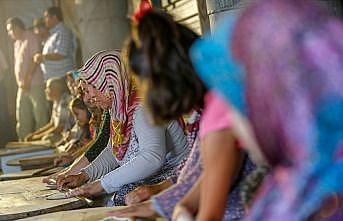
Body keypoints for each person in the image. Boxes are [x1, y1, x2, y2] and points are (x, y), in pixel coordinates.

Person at [190, 0, 343, 220]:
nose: (232, 124)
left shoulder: (321, 204)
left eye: (238, 108)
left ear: (276, 109)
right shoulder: (291, 184)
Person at [107, 10, 255, 221]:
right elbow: (208, 172)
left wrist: (170, 207)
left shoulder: (220, 111)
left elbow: (210, 211)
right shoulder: (211, 104)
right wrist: (170, 205)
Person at [56, 50, 189, 206]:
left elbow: (152, 158)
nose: (86, 98)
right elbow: (114, 151)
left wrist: (100, 185)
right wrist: (85, 175)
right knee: (107, 194)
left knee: (121, 196)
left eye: (88, 89)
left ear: (108, 83)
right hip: (156, 174)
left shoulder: (144, 105)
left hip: (177, 174)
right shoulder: (121, 106)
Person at [6, 17, 50, 141]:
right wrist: (22, 82)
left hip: (34, 82)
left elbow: (34, 59)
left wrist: (28, 78)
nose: (9, 33)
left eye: (10, 30)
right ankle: (23, 142)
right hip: (22, 85)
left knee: (39, 113)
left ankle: (42, 142)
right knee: (22, 114)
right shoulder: (16, 43)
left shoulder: (31, 37)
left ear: (17, 27)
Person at [25, 76, 74, 144]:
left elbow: (60, 128)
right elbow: (52, 124)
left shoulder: (64, 102)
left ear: (57, 89)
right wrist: (34, 134)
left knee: (46, 138)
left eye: (48, 88)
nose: (46, 90)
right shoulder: (56, 101)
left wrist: (38, 137)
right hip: (61, 133)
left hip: (67, 135)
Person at [33, 7, 76, 81]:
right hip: (54, 79)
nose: (44, 20)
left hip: (63, 78)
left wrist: (42, 57)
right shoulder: (53, 33)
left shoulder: (63, 32)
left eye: (46, 17)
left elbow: (60, 54)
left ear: (54, 17)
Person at [54, 97, 92, 166]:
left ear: (87, 109)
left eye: (77, 114)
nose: (76, 119)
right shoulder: (84, 126)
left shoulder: (94, 123)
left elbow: (93, 143)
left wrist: (72, 157)